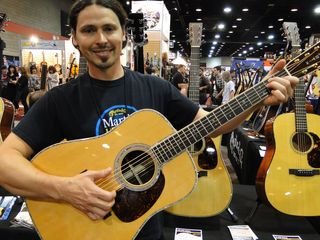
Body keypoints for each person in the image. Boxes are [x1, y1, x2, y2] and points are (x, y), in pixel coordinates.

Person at [0, 0, 298, 240]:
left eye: (109, 28)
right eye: (89, 30)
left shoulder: (156, 88)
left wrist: (255, 100)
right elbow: (4, 162)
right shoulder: (59, 99)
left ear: (124, 35)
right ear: (75, 38)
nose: (101, 39)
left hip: (143, 229)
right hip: (80, 224)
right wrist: (65, 189)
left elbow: (212, 123)